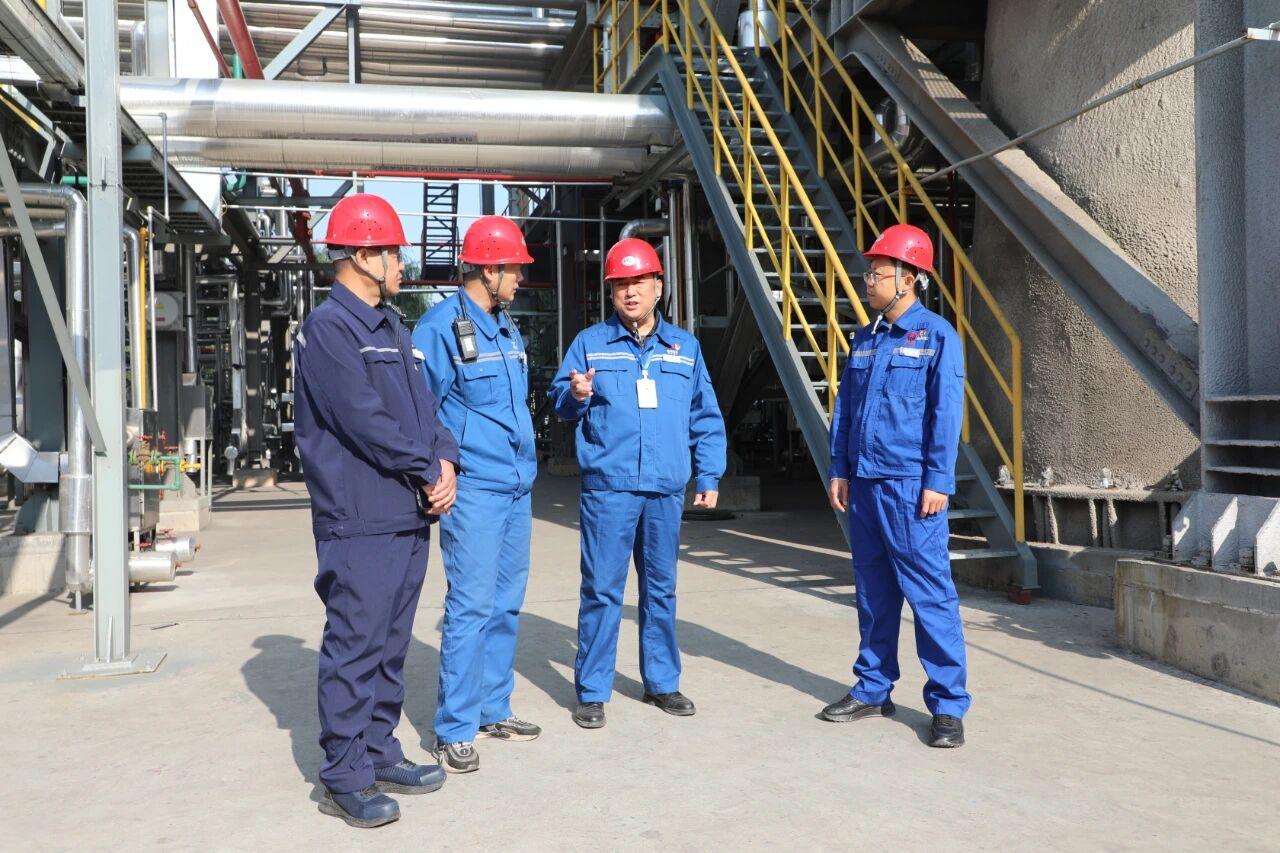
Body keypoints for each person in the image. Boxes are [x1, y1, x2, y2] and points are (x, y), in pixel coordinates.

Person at [294, 193, 459, 827]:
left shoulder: (392, 326)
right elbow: (363, 421)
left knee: (390, 644)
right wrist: (426, 468)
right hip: (359, 516)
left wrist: (446, 460)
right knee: (356, 645)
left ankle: (380, 751)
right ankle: (344, 774)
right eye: (393, 252)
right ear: (363, 256)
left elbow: (425, 407)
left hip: (406, 512)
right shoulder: (329, 329)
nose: (401, 264)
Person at [548, 237, 726, 730]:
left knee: (661, 589)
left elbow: (705, 414)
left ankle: (662, 682)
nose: (630, 292)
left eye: (639, 282)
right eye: (620, 284)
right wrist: (576, 394)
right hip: (610, 487)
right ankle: (592, 690)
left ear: (658, 287)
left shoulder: (684, 348)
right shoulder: (590, 344)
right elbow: (560, 403)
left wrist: (708, 473)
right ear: (611, 292)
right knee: (602, 590)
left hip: (665, 488)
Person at [822, 223, 970, 748]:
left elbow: (945, 414)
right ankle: (872, 687)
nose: (868, 281)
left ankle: (947, 706)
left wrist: (938, 481)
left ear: (908, 279)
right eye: (869, 273)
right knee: (873, 592)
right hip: (864, 485)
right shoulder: (865, 338)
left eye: (878, 273)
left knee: (930, 596)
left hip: (910, 488)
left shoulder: (936, 337)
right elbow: (846, 409)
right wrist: (840, 468)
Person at [411, 215, 540, 773]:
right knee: (470, 607)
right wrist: (435, 471)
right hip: (475, 488)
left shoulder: (506, 327)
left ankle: (493, 708)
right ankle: (455, 728)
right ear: (489, 269)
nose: (521, 279)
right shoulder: (439, 327)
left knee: (506, 603)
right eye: (515, 269)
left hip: (517, 485)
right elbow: (419, 409)